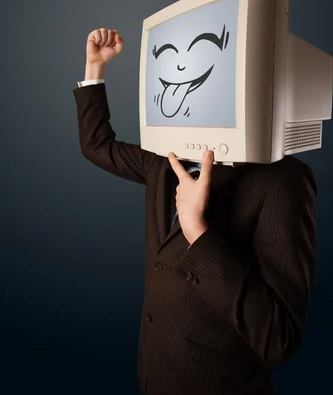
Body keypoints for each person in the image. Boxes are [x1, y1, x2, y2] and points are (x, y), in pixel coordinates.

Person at [73, 28, 317, 395]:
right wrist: (96, 68)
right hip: (153, 377)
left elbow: (279, 337)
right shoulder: (163, 158)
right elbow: (97, 146)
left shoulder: (283, 181)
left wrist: (198, 233)